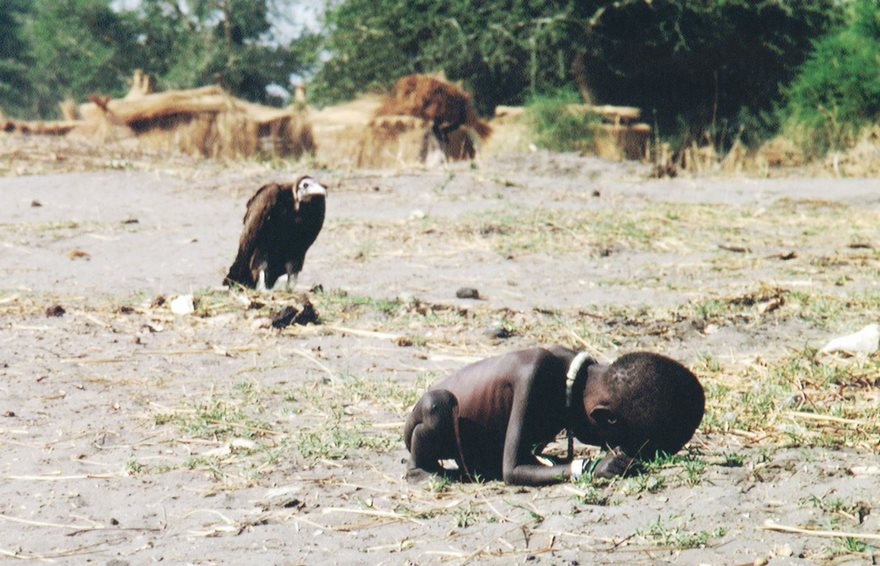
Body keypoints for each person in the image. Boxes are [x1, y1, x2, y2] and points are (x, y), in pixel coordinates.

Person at [404, 346, 704, 486]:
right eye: (613, 443)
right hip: (437, 424)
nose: (609, 449)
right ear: (604, 418)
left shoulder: (583, 379)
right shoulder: (538, 373)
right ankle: (419, 468)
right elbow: (513, 471)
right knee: (436, 408)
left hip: (483, 442)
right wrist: (584, 468)